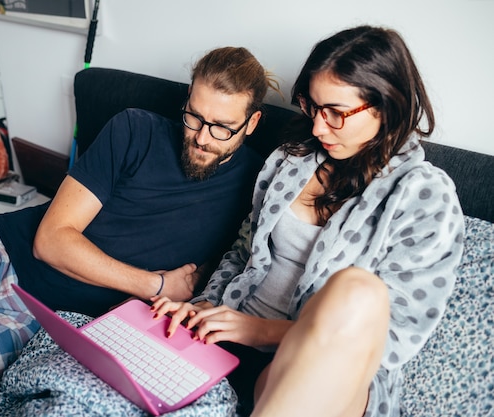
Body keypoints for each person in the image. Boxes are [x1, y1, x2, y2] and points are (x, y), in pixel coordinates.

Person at [0, 46, 280, 416]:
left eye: (222, 127)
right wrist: (156, 285)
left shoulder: (258, 184)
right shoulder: (135, 129)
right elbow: (51, 241)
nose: (201, 138)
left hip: (43, 322)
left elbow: (229, 266)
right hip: (3, 252)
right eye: (194, 117)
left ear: (252, 122)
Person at [152, 25, 465, 417]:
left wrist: (257, 331)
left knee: (358, 291)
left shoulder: (424, 195)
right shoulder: (290, 160)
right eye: (313, 107)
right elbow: (244, 252)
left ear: (386, 107)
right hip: (234, 336)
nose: (318, 127)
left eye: (335, 113)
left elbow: (390, 340)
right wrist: (204, 308)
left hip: (332, 375)